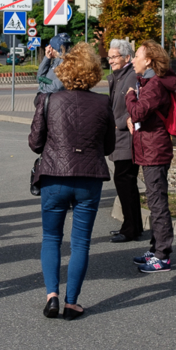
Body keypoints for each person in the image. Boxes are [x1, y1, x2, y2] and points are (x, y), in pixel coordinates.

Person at [28, 43, 115, 320]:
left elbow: (34, 143)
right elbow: (110, 146)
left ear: (63, 71)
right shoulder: (103, 102)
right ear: (93, 73)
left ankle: (51, 295)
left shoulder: (48, 100)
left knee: (52, 237)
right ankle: (72, 302)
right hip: (89, 179)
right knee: (80, 243)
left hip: (54, 175)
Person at [125, 40, 176, 273]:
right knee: (154, 201)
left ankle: (162, 256)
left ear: (148, 60)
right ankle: (156, 248)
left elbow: (138, 111)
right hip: (150, 149)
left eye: (137, 56)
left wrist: (129, 97)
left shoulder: (154, 85)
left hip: (155, 151)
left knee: (157, 204)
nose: (133, 59)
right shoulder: (148, 82)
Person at [106, 39, 142, 243]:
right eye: (109, 57)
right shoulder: (119, 76)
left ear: (126, 57)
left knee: (125, 181)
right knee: (125, 183)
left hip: (126, 137)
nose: (110, 60)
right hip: (119, 137)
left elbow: (132, 107)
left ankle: (130, 229)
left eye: (114, 57)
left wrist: (116, 123)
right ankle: (132, 225)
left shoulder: (130, 77)